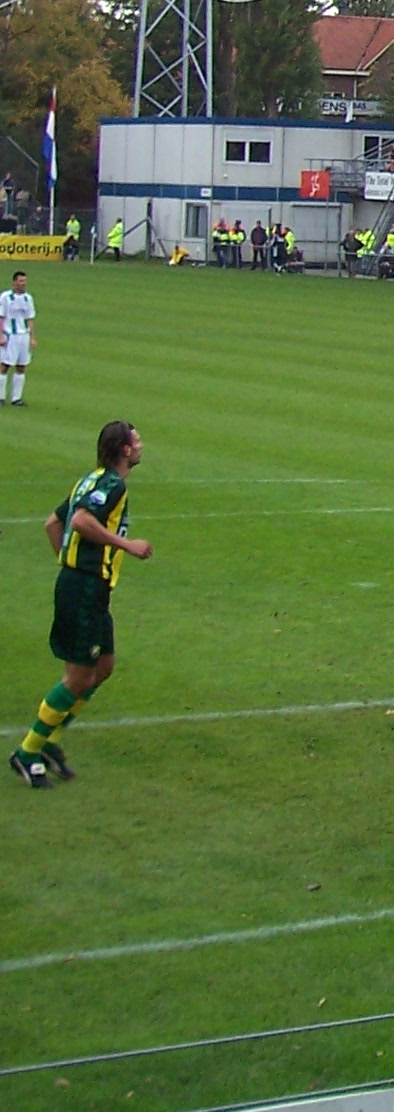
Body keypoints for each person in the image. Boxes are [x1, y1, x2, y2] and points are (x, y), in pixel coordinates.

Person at [13, 421, 152, 789]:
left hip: (86, 586)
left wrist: (69, 561)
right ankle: (27, 752)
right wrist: (126, 546)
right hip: (85, 590)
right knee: (78, 677)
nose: (140, 446)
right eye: (135, 441)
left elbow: (51, 524)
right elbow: (79, 520)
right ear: (124, 449)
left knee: (103, 666)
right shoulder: (111, 485)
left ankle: (52, 741)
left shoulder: (89, 480)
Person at [0, 270, 33, 406]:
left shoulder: (28, 298)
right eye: (20, 281)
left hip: (23, 336)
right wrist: (0, 335)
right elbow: (1, 317)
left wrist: (32, 337)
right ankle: (0, 397)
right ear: (14, 282)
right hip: (10, 335)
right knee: (5, 365)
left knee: (21, 366)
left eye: (24, 281)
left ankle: (16, 398)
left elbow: (30, 319)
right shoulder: (5, 297)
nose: (22, 284)